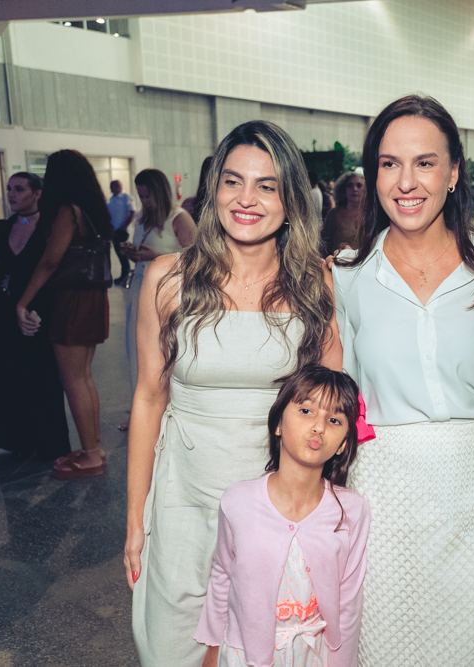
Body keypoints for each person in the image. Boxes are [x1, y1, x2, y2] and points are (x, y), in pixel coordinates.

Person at [126, 120, 340, 667]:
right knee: (173, 646)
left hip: (277, 503)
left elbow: (331, 409)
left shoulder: (315, 283)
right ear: (212, 191)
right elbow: (150, 399)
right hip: (183, 499)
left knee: (261, 649)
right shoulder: (168, 280)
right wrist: (135, 518)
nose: (246, 200)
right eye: (232, 181)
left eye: (267, 186)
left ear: (291, 201)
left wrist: (320, 519)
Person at [332, 94, 474, 666]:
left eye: (425, 162)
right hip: (384, 487)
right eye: (389, 164)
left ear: (454, 170)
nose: (406, 181)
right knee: (391, 640)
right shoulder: (347, 274)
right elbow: (335, 395)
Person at [196, 365, 370, 667]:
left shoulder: (352, 511)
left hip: (314, 657)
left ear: (343, 443)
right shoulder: (238, 500)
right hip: (244, 656)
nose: (318, 427)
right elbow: (221, 574)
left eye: (333, 420)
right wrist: (212, 648)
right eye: (306, 411)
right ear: (278, 424)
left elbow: (348, 604)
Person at [16, 150, 113, 479]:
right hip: (93, 297)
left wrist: (22, 302)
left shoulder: (66, 211)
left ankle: (90, 456)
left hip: (72, 298)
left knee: (73, 380)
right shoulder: (91, 209)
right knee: (84, 377)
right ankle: (94, 448)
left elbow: (50, 260)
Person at [0, 172, 70, 460]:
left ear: (37, 194)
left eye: (19, 189)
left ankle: (49, 442)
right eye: (9, 189)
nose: (11, 194)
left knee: (42, 377)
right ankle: (18, 438)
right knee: (9, 377)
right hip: (3, 316)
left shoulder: (50, 228)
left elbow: (55, 269)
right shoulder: (0, 228)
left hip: (38, 314)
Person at [118, 168, 195, 432]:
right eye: (140, 196)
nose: (144, 201)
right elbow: (144, 250)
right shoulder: (141, 218)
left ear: (159, 192)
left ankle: (172, 411)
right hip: (140, 285)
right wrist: (133, 252)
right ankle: (142, 409)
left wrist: (154, 256)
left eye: (148, 195)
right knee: (136, 348)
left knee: (168, 350)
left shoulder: (179, 218)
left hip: (169, 289)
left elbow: (195, 258)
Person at [321, 171, 364, 254]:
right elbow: (324, 245)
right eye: (350, 185)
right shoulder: (334, 214)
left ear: (366, 189)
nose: (354, 189)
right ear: (344, 189)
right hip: (337, 263)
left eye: (359, 185)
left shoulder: (372, 216)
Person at [109, 180, 136, 285]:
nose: (114, 188)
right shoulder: (112, 199)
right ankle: (124, 275)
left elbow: (133, 212)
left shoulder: (126, 197)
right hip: (114, 231)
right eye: (112, 186)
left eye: (116, 186)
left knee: (123, 253)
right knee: (119, 254)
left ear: (120, 186)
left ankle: (126, 277)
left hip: (123, 230)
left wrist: (124, 226)